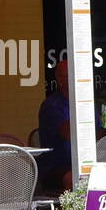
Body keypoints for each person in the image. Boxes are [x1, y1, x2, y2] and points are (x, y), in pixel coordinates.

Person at [37, 58, 72, 192]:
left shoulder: (87, 103)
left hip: (81, 162)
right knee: (74, 178)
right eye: (69, 76)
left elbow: (98, 130)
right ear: (59, 79)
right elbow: (68, 133)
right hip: (53, 166)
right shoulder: (51, 106)